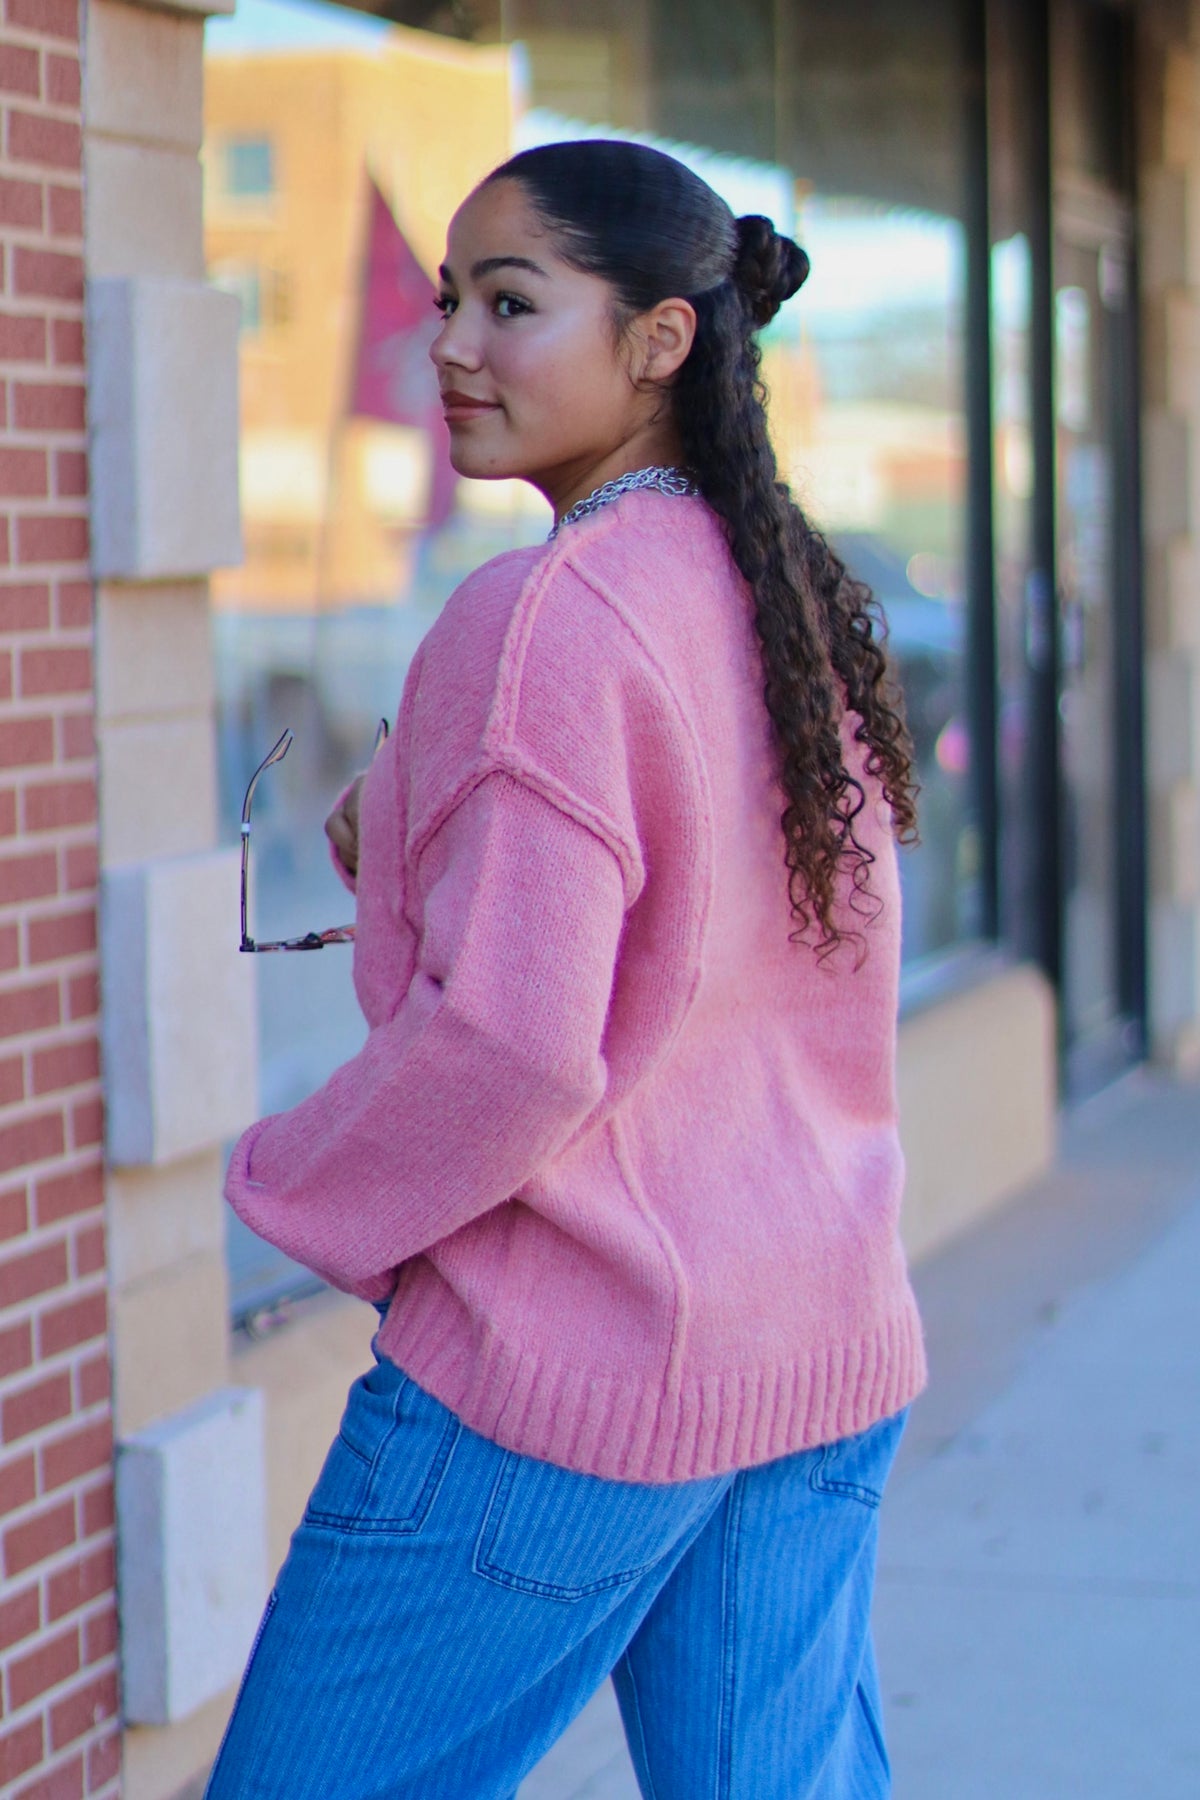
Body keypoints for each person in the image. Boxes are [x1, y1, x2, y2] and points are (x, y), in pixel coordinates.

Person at [207, 138, 925, 1800]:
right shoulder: (786, 596)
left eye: (512, 303)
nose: (451, 343)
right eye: (452, 300)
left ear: (660, 340)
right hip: (813, 1337)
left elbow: (514, 1054)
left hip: (568, 1389)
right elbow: (755, 939)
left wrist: (287, 1179)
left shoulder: (547, 614)